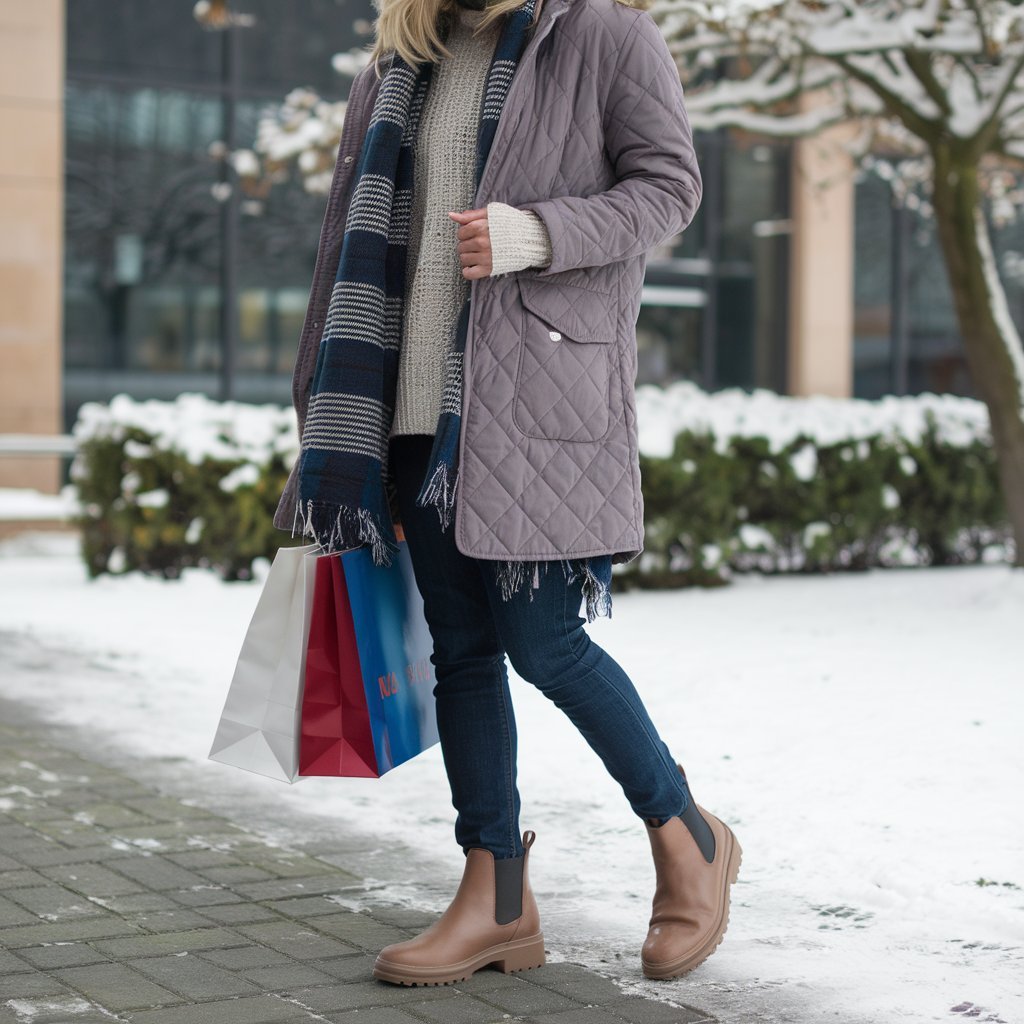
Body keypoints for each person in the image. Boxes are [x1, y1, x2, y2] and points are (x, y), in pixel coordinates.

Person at [275, 0, 742, 988]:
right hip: (402, 411)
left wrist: (538, 232)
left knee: (546, 643)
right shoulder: (400, 60)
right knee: (462, 655)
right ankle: (494, 893)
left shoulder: (606, 37)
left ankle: (685, 833)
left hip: (528, 406)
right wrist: (323, 406)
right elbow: (345, 249)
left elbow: (669, 188)